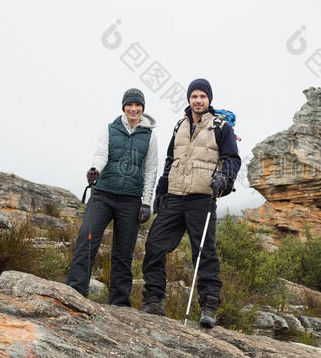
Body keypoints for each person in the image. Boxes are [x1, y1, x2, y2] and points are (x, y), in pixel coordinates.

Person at [140, 78, 241, 328]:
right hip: (174, 197)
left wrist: (224, 178)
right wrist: (160, 193)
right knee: (154, 245)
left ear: (209, 100)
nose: (198, 100)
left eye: (202, 96)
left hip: (202, 198)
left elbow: (232, 159)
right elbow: (169, 161)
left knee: (204, 252)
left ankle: (209, 305)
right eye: (194, 96)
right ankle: (154, 299)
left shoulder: (221, 126)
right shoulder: (179, 126)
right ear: (189, 99)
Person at [66, 88, 158, 306]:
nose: (133, 109)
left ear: (142, 108)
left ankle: (119, 303)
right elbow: (101, 155)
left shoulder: (150, 136)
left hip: (131, 200)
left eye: (138, 105)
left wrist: (146, 202)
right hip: (103, 195)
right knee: (87, 240)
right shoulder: (109, 129)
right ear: (124, 107)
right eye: (130, 105)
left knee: (123, 253)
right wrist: (94, 170)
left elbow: (151, 170)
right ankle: (75, 292)